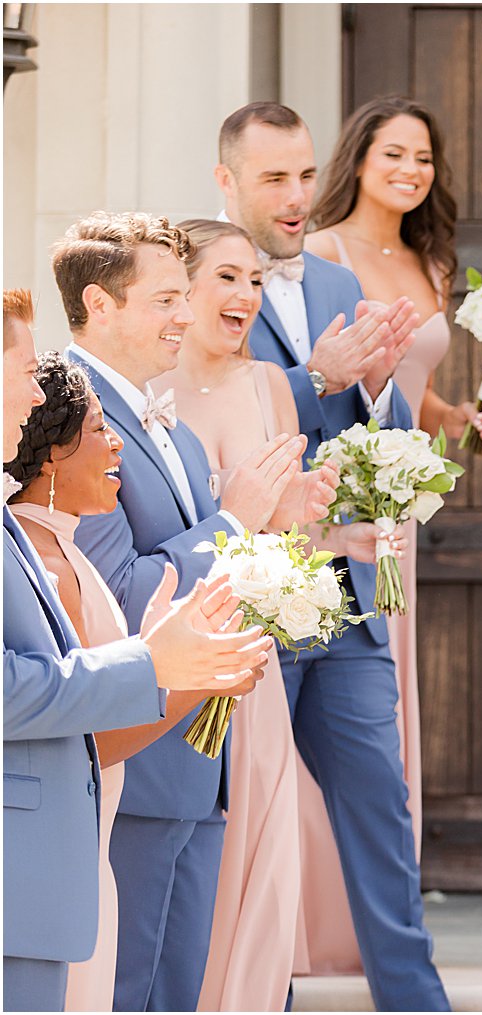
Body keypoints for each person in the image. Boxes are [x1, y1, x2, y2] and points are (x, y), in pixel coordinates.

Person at [54, 211, 325, 1011]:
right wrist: (233, 521)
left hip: (198, 760)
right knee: (130, 986)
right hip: (139, 757)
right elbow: (115, 594)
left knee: (176, 991)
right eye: (165, 299)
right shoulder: (73, 418)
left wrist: (271, 524)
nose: (185, 316)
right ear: (100, 306)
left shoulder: (148, 409)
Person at [216, 101, 450, 1010]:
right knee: (248, 813)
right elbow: (221, 409)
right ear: (227, 180)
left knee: (378, 802)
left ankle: (414, 996)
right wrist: (315, 380)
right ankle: (246, 989)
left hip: (345, 590)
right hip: (255, 592)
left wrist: (381, 390)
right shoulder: (206, 288)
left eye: (307, 174)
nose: (297, 195)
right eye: (275, 177)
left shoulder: (334, 281)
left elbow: (370, 428)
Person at [3, 288, 272, 1012]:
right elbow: (18, 693)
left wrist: (193, 674)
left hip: (75, 844)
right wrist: (167, 669)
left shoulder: (35, 543)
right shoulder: (40, 549)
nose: (34, 392)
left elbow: (89, 732)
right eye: (24, 371)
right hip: (35, 863)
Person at [302, 95, 482, 973]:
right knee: (351, 719)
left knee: (388, 716)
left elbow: (412, 387)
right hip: (342, 516)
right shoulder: (322, 252)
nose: (410, 170)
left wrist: (461, 421)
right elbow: (318, 385)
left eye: (423, 157)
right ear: (360, 156)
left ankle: (383, 915)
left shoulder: (433, 261)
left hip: (406, 514)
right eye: (393, 153)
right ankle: (320, 920)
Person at [155, 217, 351, 1011]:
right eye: (226, 277)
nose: (244, 294)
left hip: (256, 662)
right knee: (198, 854)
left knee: (262, 853)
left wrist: (307, 506)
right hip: (183, 655)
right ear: (184, 288)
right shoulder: (149, 394)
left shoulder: (272, 384)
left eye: (254, 280)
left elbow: (291, 534)